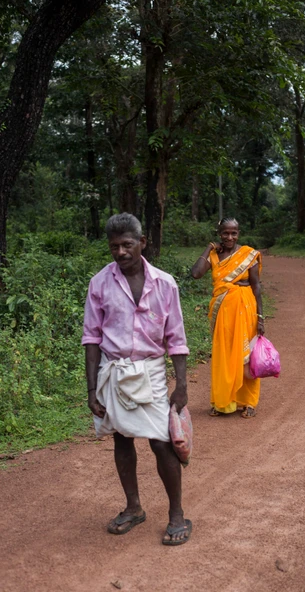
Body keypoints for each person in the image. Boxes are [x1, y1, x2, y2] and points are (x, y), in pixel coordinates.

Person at [82, 212, 192, 546]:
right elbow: (91, 338)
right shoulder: (100, 283)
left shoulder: (165, 283)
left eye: (127, 244)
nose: (120, 252)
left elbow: (176, 338)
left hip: (151, 373)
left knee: (162, 443)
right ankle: (133, 507)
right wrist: (91, 390)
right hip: (113, 373)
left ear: (142, 243)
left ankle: (176, 514)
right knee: (121, 438)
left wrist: (182, 384)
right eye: (114, 246)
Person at [191, 217, 264, 418]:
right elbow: (196, 273)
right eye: (225, 233)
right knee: (223, 354)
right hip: (221, 312)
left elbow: (256, 286)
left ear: (238, 233)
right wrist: (208, 249)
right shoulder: (214, 255)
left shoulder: (248, 254)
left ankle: (248, 402)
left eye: (234, 233)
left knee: (245, 356)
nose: (230, 237)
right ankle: (223, 401)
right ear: (219, 234)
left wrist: (260, 316)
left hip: (245, 309)